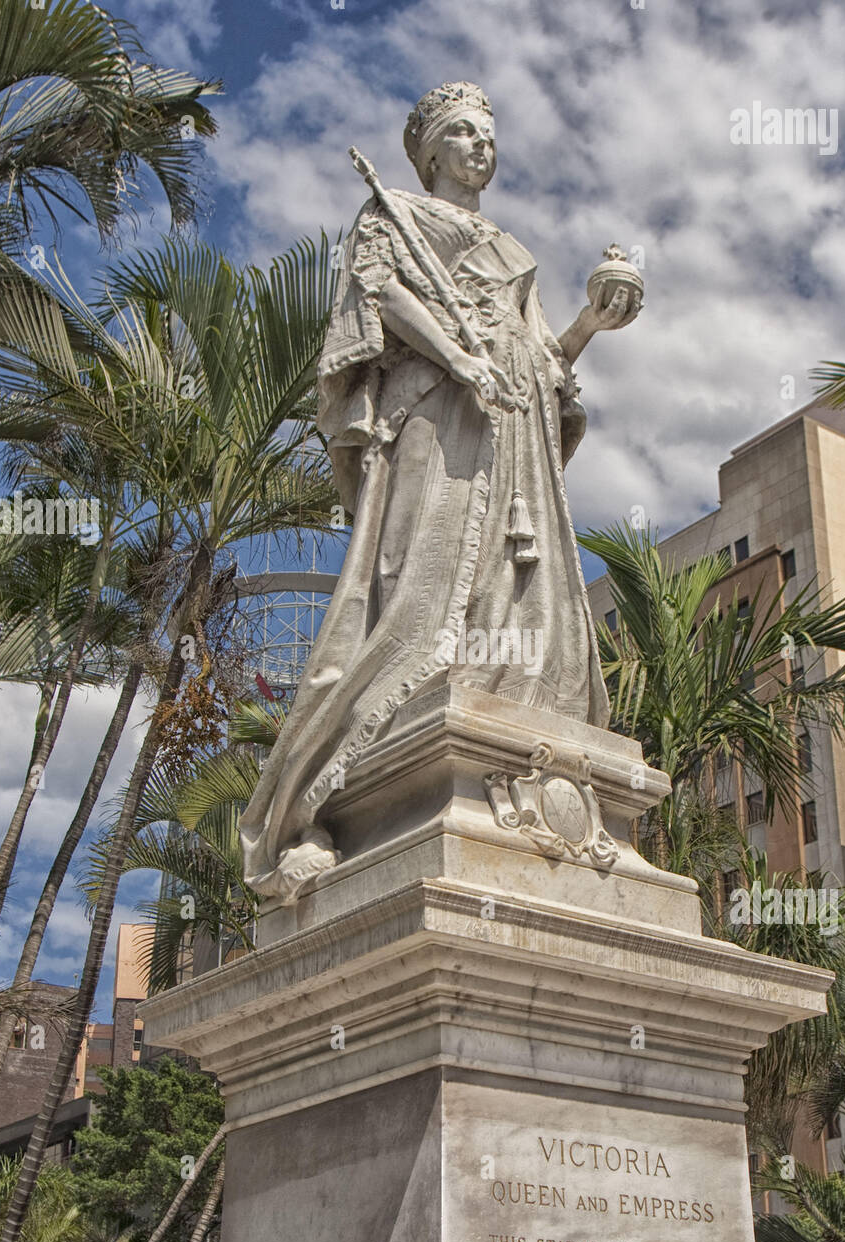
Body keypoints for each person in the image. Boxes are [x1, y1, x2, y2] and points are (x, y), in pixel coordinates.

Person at [241, 80, 641, 904]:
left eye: (487, 134)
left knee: (515, 585)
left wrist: (588, 326)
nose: (479, 147)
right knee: (416, 579)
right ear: (428, 153)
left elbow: (542, 358)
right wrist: (459, 359)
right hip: (432, 411)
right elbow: (378, 297)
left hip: (512, 421)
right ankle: (336, 782)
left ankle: (510, 721)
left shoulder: (511, 250)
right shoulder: (392, 214)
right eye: (462, 134)